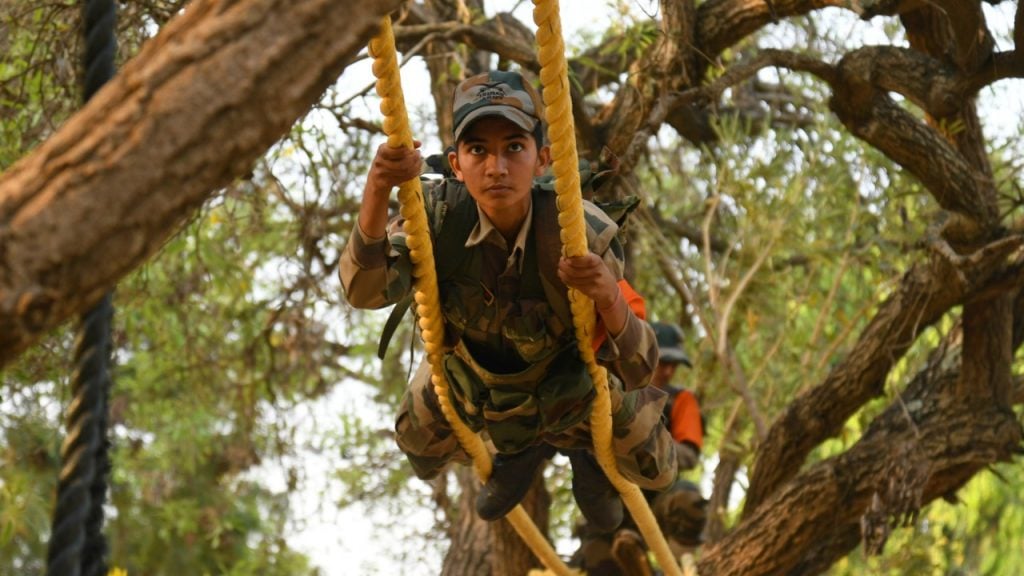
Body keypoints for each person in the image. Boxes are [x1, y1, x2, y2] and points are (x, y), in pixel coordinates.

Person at [339, 70, 677, 529]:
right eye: (478, 150)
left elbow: (639, 366)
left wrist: (608, 299)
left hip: (572, 389)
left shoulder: (580, 232)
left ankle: (582, 454)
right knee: (419, 449)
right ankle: (521, 449)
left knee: (658, 467)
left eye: (513, 147)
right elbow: (363, 291)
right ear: (456, 165)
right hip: (476, 380)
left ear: (543, 159)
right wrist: (377, 189)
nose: (496, 166)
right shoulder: (434, 218)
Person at [571, 321, 707, 575]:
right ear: (644, 354)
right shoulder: (609, 388)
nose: (668, 370)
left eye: (673, 364)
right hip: (611, 499)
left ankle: (675, 568)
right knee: (597, 561)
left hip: (658, 500)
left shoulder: (681, 399)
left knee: (690, 500)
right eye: (663, 361)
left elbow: (688, 456)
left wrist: (639, 443)